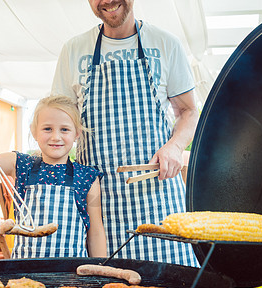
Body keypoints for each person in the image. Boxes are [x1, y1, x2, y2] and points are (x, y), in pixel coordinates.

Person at [51, 0, 199, 267]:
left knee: (174, 287)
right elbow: (60, 119)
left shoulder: (166, 44)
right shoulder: (74, 50)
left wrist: (175, 147)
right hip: (97, 207)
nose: (106, 1)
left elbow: (189, 111)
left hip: (159, 201)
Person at [0, 95, 107, 258]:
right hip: (25, 273)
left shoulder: (88, 177)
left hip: (71, 274)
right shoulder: (20, 164)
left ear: (77, 133)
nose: (56, 137)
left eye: (64, 129)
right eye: (47, 129)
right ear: (34, 132)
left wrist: (101, 272)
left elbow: (95, 233)